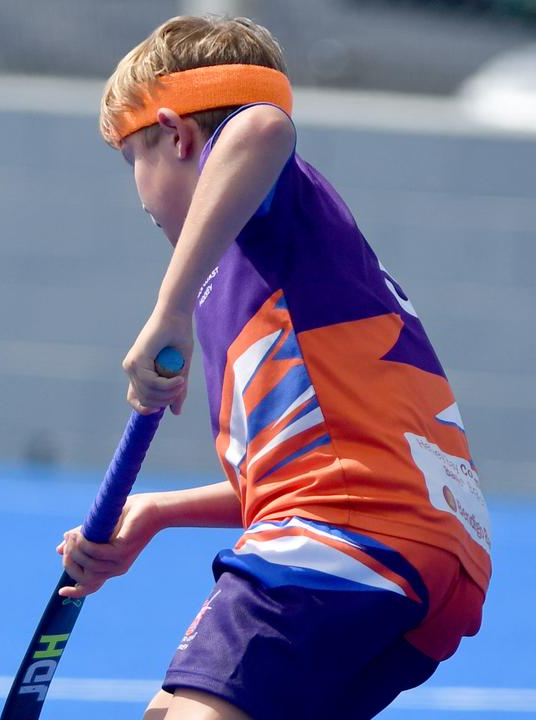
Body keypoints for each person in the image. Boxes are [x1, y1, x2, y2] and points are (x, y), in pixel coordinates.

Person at [56, 15, 491, 720]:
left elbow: (261, 127)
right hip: (426, 557)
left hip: (348, 534)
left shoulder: (267, 217)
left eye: (132, 156)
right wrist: (161, 512)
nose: (136, 191)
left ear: (178, 136)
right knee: (167, 712)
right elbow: (314, 464)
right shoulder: (273, 277)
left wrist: (167, 307)